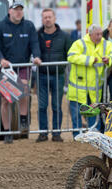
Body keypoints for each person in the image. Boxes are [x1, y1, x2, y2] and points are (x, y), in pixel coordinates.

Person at [0, 0, 42, 144]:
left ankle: (23, 119)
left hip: (23, 65)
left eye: (21, 9)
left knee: (24, 88)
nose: (18, 12)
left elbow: (34, 43)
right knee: (5, 100)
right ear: (10, 11)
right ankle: (7, 131)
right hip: (6, 68)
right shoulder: (0, 26)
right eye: (16, 9)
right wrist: (1, 59)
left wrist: (37, 56)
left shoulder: (29, 26)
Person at [67, 24, 112, 138]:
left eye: (101, 33)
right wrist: (90, 60)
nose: (100, 36)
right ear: (90, 34)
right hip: (78, 87)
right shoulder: (79, 43)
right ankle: (77, 134)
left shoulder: (107, 44)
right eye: (97, 34)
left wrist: (109, 59)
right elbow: (71, 56)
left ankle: (93, 134)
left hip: (95, 87)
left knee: (94, 111)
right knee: (76, 112)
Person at [36, 8, 72, 143]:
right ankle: (42, 133)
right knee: (42, 106)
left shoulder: (64, 36)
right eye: (45, 17)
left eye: (49, 17)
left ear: (55, 18)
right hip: (42, 75)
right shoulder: (37, 35)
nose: (47, 19)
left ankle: (56, 133)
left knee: (56, 105)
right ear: (42, 19)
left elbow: (71, 53)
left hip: (58, 75)